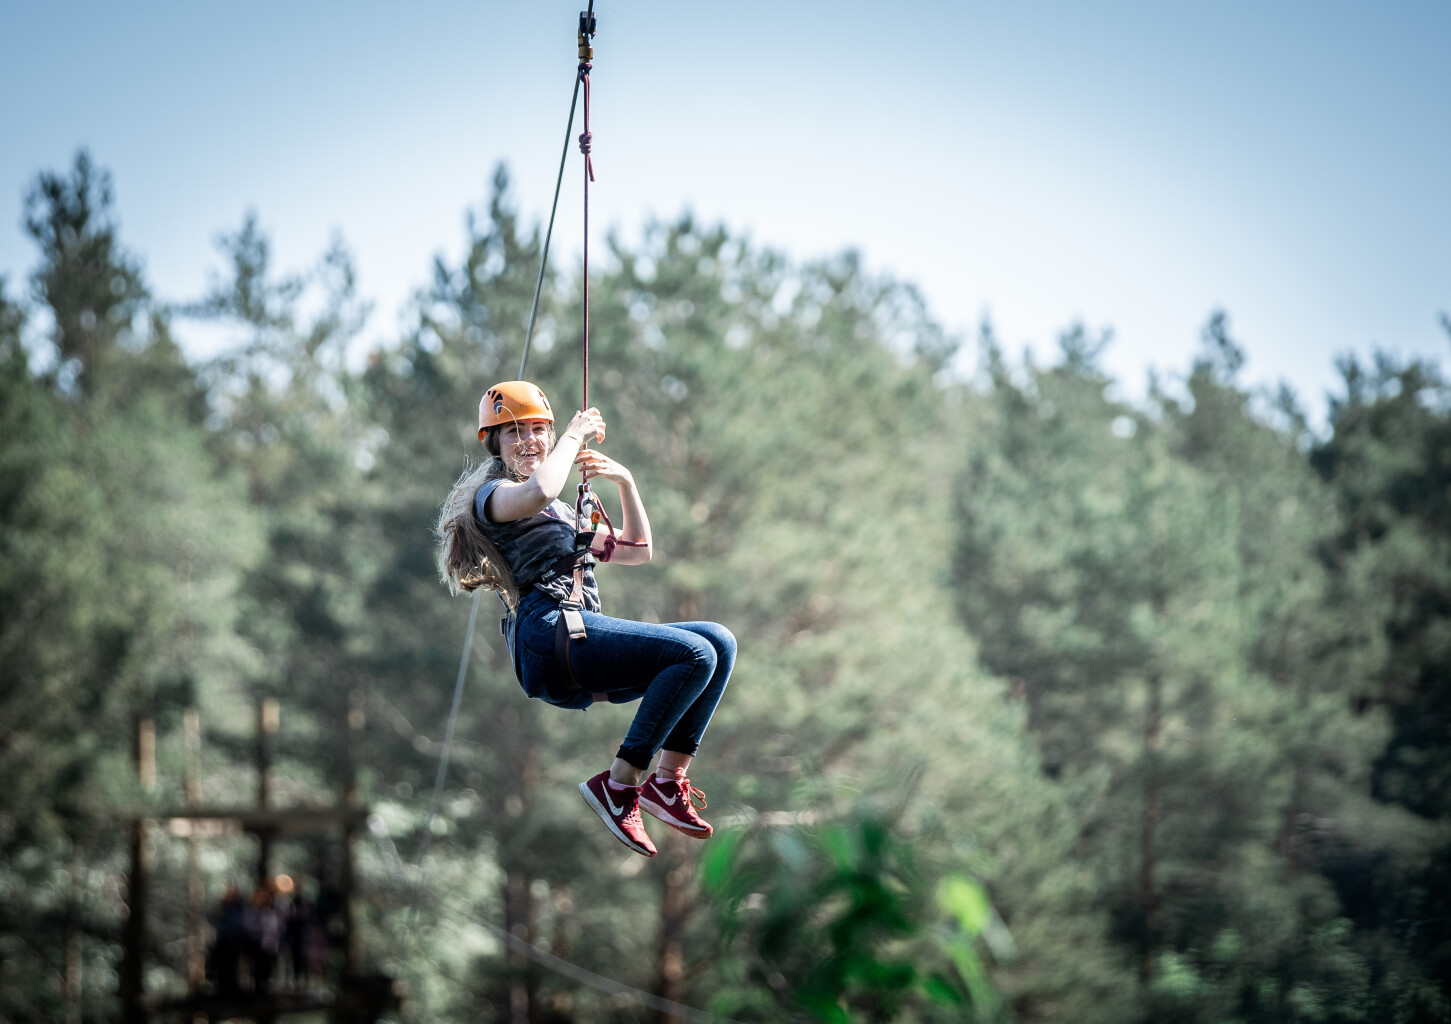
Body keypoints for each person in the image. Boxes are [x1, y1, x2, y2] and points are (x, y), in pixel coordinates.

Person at [436, 381, 735, 857]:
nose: (530, 440)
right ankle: (619, 785)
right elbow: (540, 488)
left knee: (718, 642)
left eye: (538, 429)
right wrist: (573, 433)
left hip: (574, 632)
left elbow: (639, 551)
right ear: (493, 442)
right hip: (547, 632)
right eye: (514, 432)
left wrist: (625, 482)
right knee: (693, 654)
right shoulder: (493, 497)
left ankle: (666, 782)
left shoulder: (558, 510)